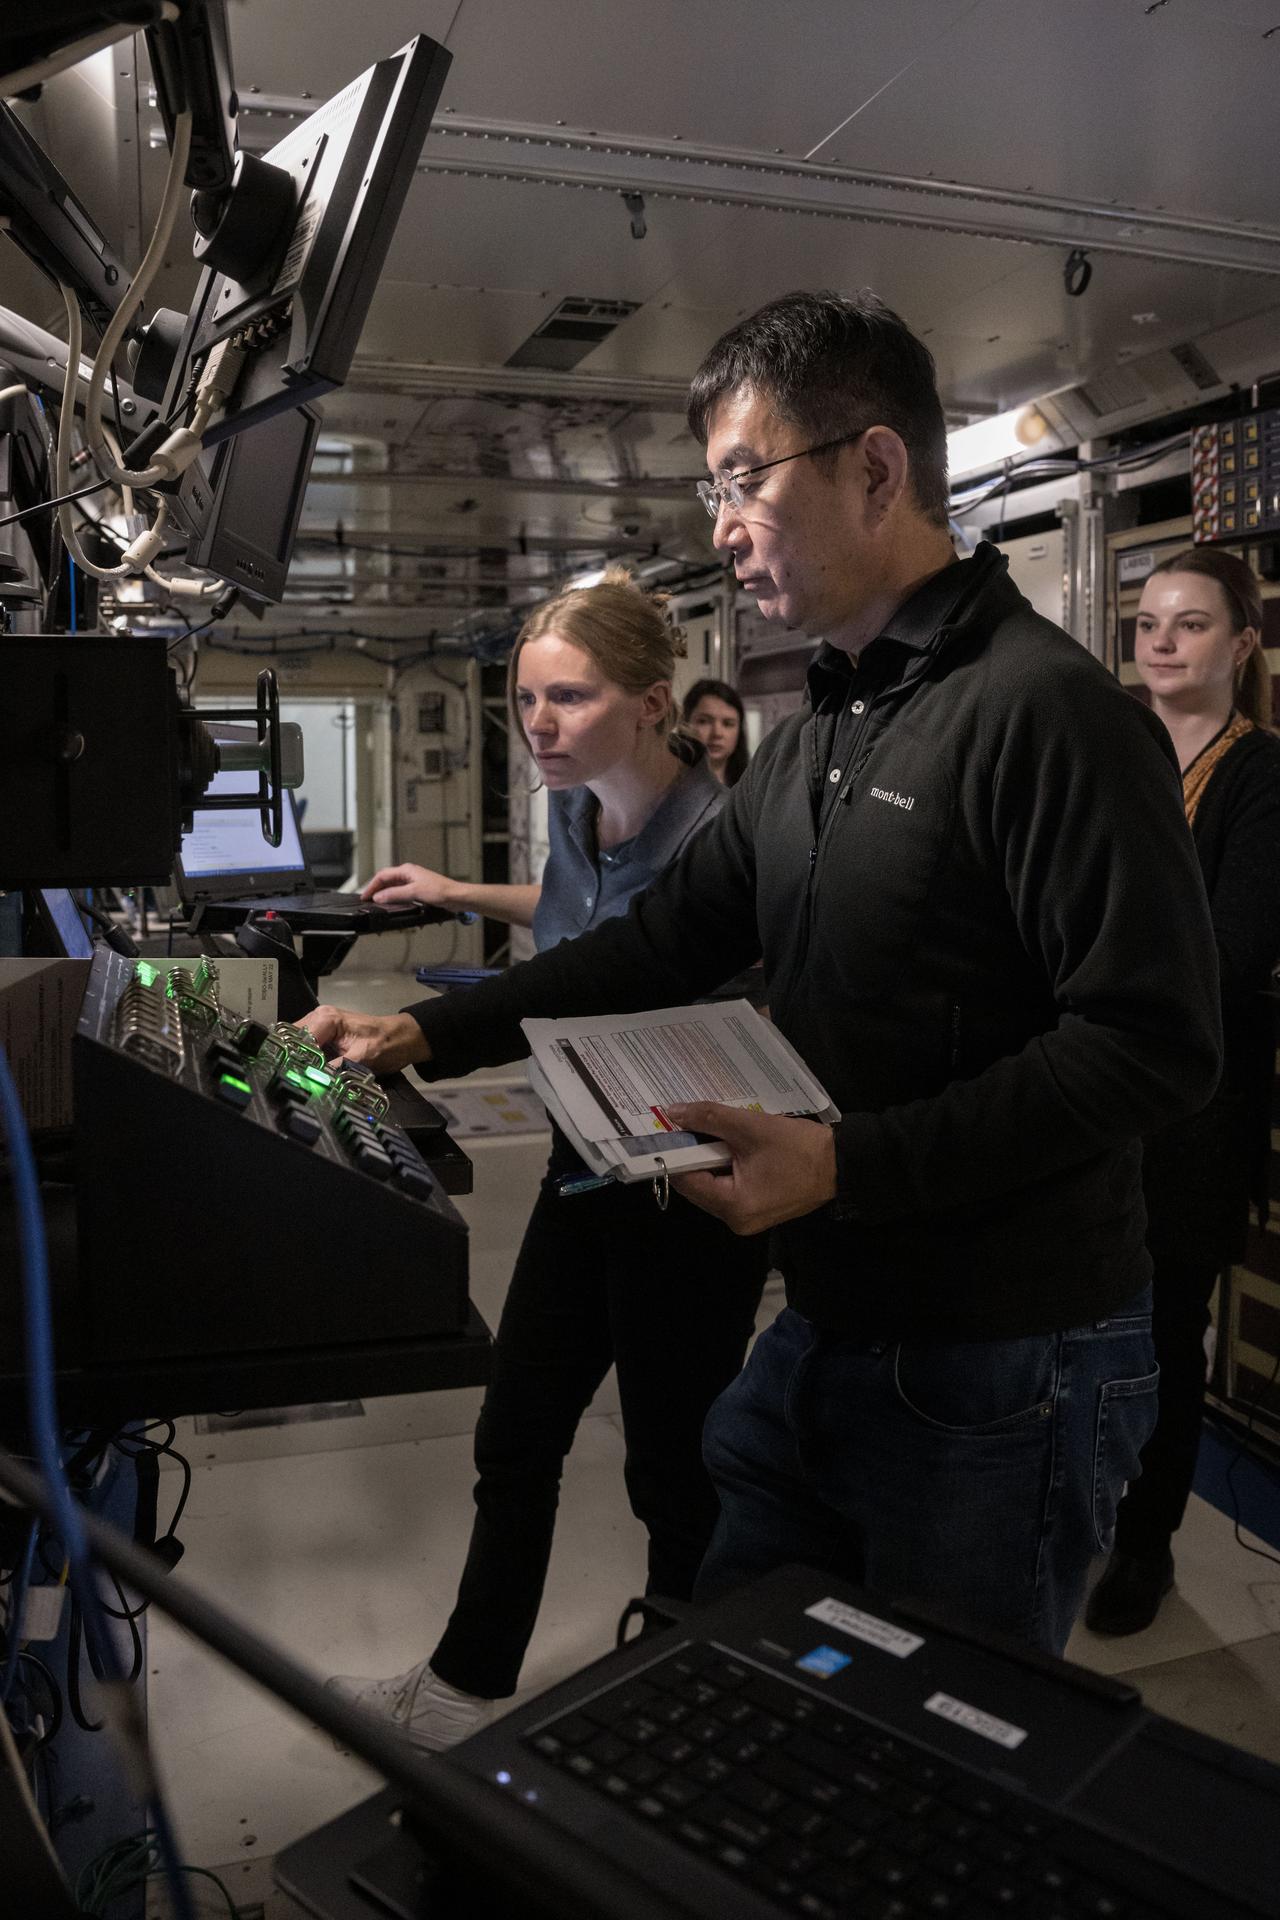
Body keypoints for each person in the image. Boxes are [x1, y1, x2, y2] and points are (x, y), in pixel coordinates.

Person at [307, 290, 1220, 1662]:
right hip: (834, 1317)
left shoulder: (1046, 714)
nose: (720, 526)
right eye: (708, 489)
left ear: (874, 468)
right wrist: (428, 1034)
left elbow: (1151, 1043)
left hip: (1006, 1356)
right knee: (737, 1674)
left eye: (744, 482)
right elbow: (663, 940)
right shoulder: (819, 738)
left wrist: (845, 1164)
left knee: (934, 1771)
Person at [326, 568, 768, 1748]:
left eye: (566, 700)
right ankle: (466, 1684)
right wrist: (455, 888)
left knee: (673, 1468)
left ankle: (683, 1711)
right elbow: (573, 915)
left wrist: (439, 1030)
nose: (537, 725)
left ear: (652, 704)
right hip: (582, 1158)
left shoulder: (720, 841)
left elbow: (629, 959)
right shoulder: (573, 812)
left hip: (682, 1183)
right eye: (527, 701)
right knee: (515, 1431)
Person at [1086, 547, 1280, 1635]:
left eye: (1190, 624)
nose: (1159, 641)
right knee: (1074, 1315)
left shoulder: (1260, 776)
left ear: (1240, 644)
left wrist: (1087, 968)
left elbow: (1234, 943)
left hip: (1191, 1112)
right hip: (1082, 1092)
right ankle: (1067, 1505)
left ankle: (1142, 1545)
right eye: (1148, 623)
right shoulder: (1108, 748)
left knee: (1163, 1330)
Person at [682, 677, 749, 784]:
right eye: (704, 721)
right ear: (685, 724)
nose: (717, 733)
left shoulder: (753, 789)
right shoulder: (662, 787)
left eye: (728, 724)